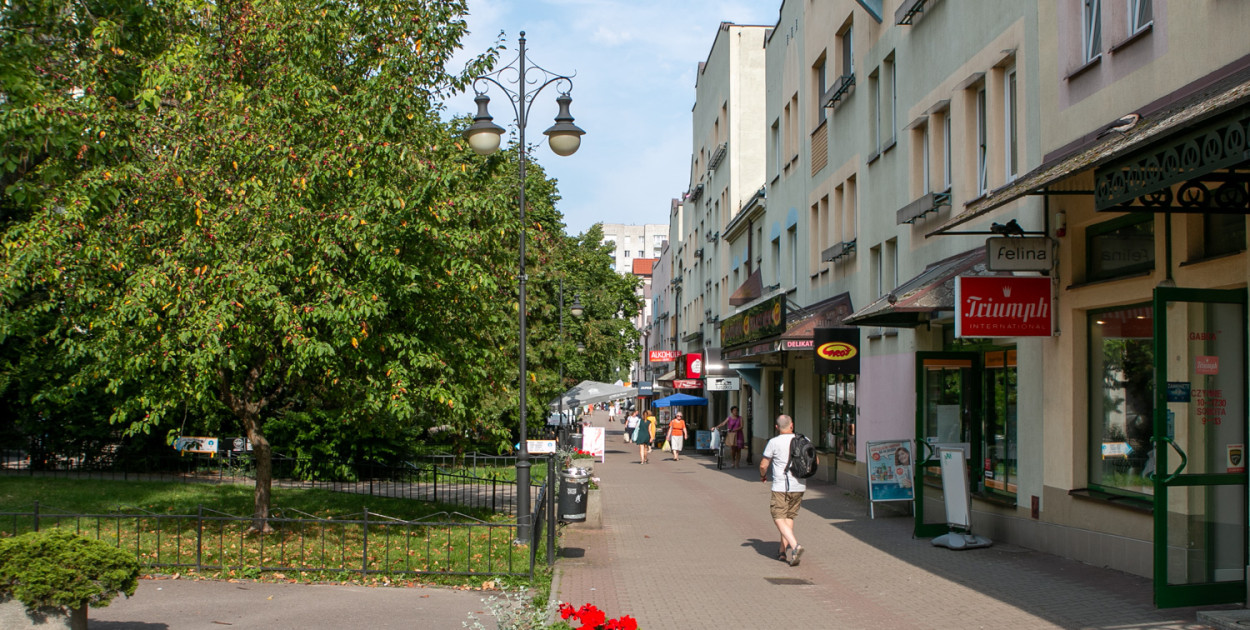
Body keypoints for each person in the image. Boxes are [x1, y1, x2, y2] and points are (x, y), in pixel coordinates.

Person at [760, 414, 814, 567]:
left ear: (777, 427)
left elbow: (763, 465)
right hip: (799, 485)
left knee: (777, 516)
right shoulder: (804, 440)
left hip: (781, 486)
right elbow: (814, 460)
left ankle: (795, 546)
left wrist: (763, 476)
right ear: (792, 425)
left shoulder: (773, 442)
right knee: (789, 517)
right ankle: (782, 551)